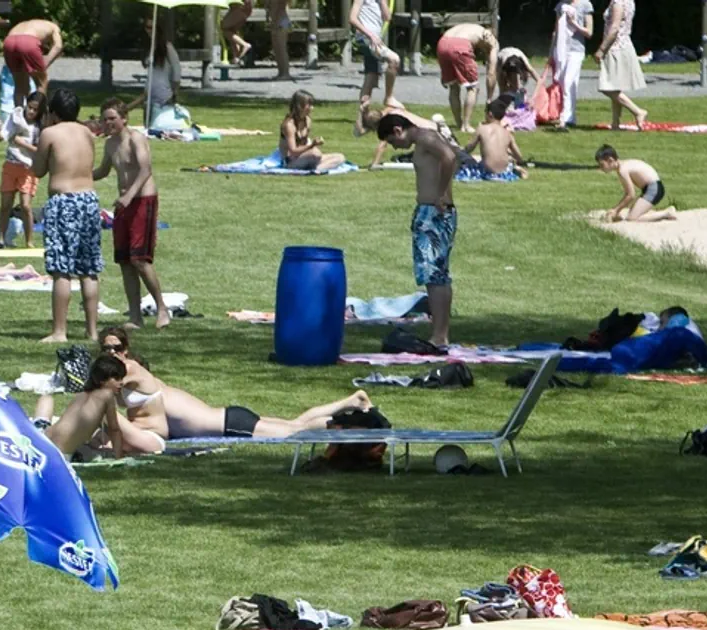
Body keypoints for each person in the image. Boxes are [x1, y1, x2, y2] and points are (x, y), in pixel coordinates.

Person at [105, 347, 374, 448]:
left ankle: (342, 425)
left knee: (297, 433)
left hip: (229, 424)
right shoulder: (153, 389)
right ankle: (350, 402)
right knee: (294, 424)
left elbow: (116, 387)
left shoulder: (142, 382)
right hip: (230, 416)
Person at [378, 114, 459, 348]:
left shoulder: (425, 137)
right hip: (432, 213)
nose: (395, 146)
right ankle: (440, 333)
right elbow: (453, 157)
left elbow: (450, 157)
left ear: (398, 129)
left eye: (393, 141)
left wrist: (442, 192)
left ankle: (440, 335)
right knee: (438, 276)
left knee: (434, 276)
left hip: (433, 213)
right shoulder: (426, 139)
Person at [31, 88, 102, 344]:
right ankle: (92, 330)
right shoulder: (87, 132)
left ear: (52, 111)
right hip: (89, 200)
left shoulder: (49, 133)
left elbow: (37, 171)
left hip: (64, 202)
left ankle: (59, 331)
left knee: (61, 269)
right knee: (89, 269)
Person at [97, 98, 168, 331]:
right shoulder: (110, 144)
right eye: (104, 119)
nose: (108, 123)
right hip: (124, 205)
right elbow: (102, 171)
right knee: (125, 261)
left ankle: (161, 308)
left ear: (124, 118)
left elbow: (146, 169)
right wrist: (75, 173)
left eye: (112, 119)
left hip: (142, 200)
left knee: (140, 259)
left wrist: (129, 196)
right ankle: (135, 316)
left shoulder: (135, 138)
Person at [0, 91, 43, 248]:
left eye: (36, 110)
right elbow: (1, 138)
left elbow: (41, 150)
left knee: (26, 206)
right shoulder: (15, 118)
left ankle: (29, 241)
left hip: (28, 168)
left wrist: (22, 143)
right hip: (10, 165)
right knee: (5, 204)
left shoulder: (40, 127)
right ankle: (0, 238)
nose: (32, 112)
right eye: (30, 107)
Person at [596, 0, 648, 132]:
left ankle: (637, 111)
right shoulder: (629, 1)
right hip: (624, 45)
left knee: (607, 87)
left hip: (615, 48)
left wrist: (601, 49)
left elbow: (614, 29)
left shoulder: (618, 2)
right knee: (616, 86)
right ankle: (615, 123)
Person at [435, 23, 498, 132]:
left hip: (442, 43)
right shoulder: (493, 42)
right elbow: (491, 73)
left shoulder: (472, 27)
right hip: (460, 46)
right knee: (473, 88)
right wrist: (489, 99)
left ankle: (459, 123)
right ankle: (466, 125)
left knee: (453, 87)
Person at [350, 0, 400, 135]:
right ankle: (389, 97)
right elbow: (352, 18)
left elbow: (388, 17)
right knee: (394, 60)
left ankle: (361, 124)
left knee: (371, 78)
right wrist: (370, 34)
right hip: (366, 38)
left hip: (375, 39)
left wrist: (383, 2)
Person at [594, 146, 677, 222]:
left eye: (602, 165)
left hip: (653, 189)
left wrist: (616, 210)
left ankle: (667, 213)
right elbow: (628, 194)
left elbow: (630, 195)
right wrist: (617, 210)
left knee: (632, 218)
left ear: (610, 160)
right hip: (652, 187)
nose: (601, 168)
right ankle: (650, 211)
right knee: (633, 212)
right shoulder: (623, 165)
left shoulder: (622, 170)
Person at [1, 20, 62, 107]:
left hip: (9, 41)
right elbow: (58, 46)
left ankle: (18, 116)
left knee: (19, 86)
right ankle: (39, 117)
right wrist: (46, 63)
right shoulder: (54, 27)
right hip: (28, 41)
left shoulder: (29, 24)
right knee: (42, 82)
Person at [281, 90, 346, 173]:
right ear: (300, 106)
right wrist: (312, 145)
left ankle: (317, 169)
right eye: (309, 105)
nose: (312, 108)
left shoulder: (307, 120)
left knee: (340, 157)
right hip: (290, 161)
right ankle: (318, 168)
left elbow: (304, 143)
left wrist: (312, 145)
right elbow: (293, 151)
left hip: (304, 156)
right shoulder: (289, 125)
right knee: (315, 154)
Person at [463, 96, 529, 178]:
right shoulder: (507, 133)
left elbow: (469, 149)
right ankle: (516, 170)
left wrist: (463, 149)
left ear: (490, 114)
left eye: (485, 112)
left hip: (486, 171)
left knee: (466, 159)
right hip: (504, 172)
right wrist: (508, 153)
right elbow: (519, 157)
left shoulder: (482, 128)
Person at [551, 0, 592, 127]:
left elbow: (589, 32)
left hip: (576, 50)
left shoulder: (586, 5)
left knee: (569, 81)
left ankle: (564, 118)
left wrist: (574, 23)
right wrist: (551, 52)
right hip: (561, 49)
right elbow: (556, 31)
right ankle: (570, 117)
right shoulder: (561, 6)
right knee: (564, 83)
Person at [266, 0, 293, 79]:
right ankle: (281, 72)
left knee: (281, 47)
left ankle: (285, 73)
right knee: (277, 48)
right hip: (276, 21)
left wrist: (276, 21)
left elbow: (282, 7)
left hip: (281, 20)